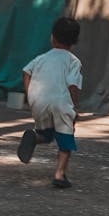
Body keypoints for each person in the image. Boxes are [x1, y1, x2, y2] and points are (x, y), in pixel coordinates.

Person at [16, 17, 82, 188]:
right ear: (74, 41)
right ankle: (60, 174)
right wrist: (75, 106)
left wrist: (30, 95)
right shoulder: (73, 61)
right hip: (61, 102)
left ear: (52, 37)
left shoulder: (41, 58)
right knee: (65, 138)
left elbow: (25, 72)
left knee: (46, 134)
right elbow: (73, 84)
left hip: (38, 101)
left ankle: (35, 137)